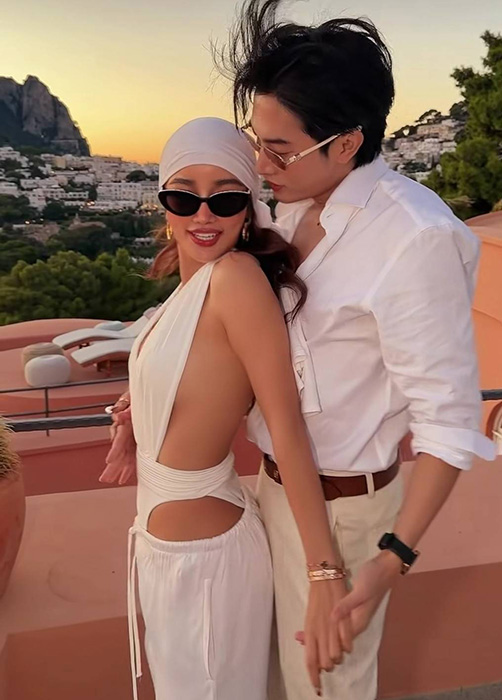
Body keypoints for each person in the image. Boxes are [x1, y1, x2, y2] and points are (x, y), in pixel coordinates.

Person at [213, 1, 496, 699]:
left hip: (348, 513)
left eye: (280, 150)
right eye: (257, 142)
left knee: (327, 688)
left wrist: (390, 559)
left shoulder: (413, 238)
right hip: (274, 491)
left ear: (346, 144)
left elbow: (449, 421)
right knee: (270, 680)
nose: (262, 164)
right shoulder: (291, 207)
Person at [101, 116, 354, 700]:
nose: (203, 214)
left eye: (226, 197)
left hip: (206, 568)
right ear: (164, 205)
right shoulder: (190, 290)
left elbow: (287, 426)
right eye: (183, 196)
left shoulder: (236, 279)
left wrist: (323, 572)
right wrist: (137, 416)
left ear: (248, 208)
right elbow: (188, 373)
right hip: (171, 555)